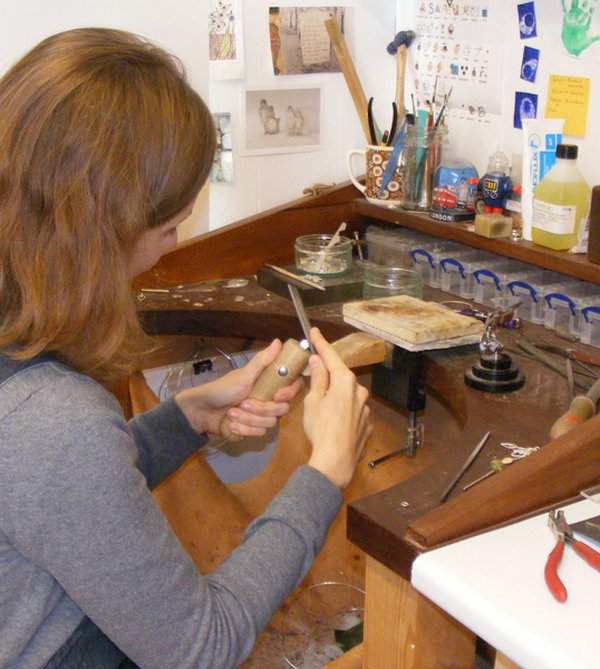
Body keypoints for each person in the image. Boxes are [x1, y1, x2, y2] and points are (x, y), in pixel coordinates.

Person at [0, 28, 372, 669]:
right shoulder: (52, 417)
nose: (173, 244)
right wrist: (325, 473)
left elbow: (57, 498)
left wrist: (184, 420)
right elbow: (200, 646)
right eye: (170, 225)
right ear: (96, 228)